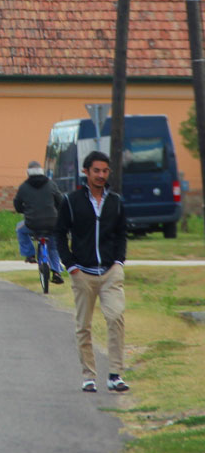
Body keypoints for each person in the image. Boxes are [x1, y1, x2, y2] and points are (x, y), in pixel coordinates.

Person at [55, 150, 129, 394]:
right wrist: (71, 265)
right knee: (83, 325)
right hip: (83, 273)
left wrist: (119, 262)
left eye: (105, 171)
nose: (101, 175)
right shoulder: (71, 201)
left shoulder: (116, 202)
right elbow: (59, 234)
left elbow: (121, 234)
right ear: (85, 172)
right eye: (96, 170)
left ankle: (115, 374)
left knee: (115, 317)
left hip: (110, 272)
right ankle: (88, 376)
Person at [13, 160, 64, 283]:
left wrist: (23, 210)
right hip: (52, 223)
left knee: (20, 229)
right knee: (53, 247)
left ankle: (30, 255)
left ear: (28, 173)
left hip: (32, 223)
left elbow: (17, 204)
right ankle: (56, 272)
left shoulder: (24, 187)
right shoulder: (51, 184)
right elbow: (61, 201)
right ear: (42, 171)